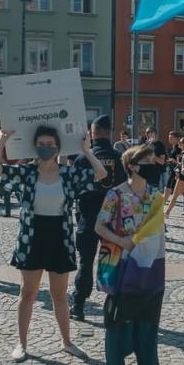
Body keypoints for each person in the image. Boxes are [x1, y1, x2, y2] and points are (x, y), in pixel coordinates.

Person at [0, 126, 107, 362]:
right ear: (35, 147)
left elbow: (101, 174)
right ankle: (21, 344)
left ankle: (67, 342)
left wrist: (86, 150)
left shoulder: (68, 173)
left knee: (59, 294)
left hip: (59, 238)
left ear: (58, 147)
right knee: (28, 292)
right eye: (41, 144)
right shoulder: (27, 172)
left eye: (50, 144)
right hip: (32, 238)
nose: (46, 148)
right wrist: (2, 139)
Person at [95, 145, 165, 365]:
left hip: (152, 264)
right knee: (118, 317)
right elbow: (99, 226)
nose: (154, 163)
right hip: (122, 262)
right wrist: (123, 241)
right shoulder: (115, 194)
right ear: (134, 166)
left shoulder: (155, 194)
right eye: (148, 160)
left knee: (149, 317)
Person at [70, 115, 127, 321]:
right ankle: (110, 308)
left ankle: (78, 305)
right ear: (109, 131)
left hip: (87, 217)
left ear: (92, 133)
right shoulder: (118, 157)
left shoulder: (83, 157)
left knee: (85, 263)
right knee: (110, 262)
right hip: (110, 220)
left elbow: (74, 188)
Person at [165, 137, 184, 217]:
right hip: (182, 175)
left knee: (175, 195)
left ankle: (167, 212)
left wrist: (175, 162)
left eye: (180, 143)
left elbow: (183, 165)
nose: (178, 144)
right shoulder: (183, 153)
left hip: (183, 176)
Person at [163, 131, 182, 203]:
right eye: (169, 138)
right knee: (168, 186)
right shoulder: (173, 147)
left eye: (171, 138)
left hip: (178, 172)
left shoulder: (179, 148)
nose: (169, 139)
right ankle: (164, 202)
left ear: (177, 138)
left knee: (180, 190)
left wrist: (175, 161)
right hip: (173, 170)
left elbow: (182, 161)